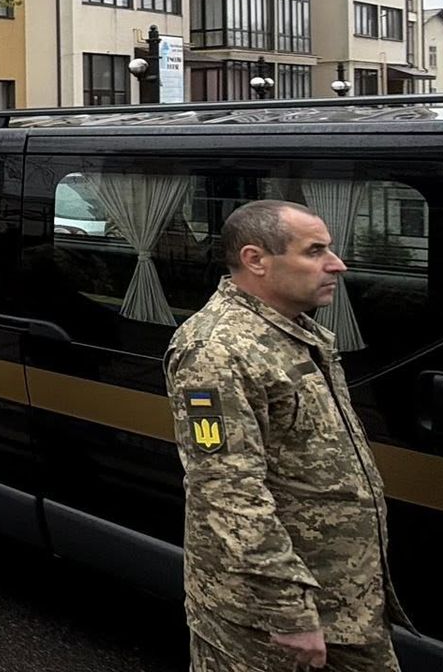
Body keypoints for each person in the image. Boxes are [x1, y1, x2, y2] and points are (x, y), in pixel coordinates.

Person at [165, 200, 403, 672]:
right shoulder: (215, 351)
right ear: (256, 260)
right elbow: (228, 494)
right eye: (315, 251)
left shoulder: (295, 330)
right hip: (270, 619)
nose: (337, 264)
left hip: (342, 599)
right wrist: (286, 612)